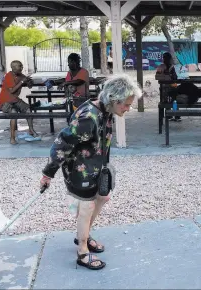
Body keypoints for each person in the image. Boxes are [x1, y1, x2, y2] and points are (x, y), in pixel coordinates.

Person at [39, 75, 142, 270]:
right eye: (126, 105)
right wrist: (48, 174)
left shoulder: (107, 110)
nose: (128, 109)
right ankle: (83, 251)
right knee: (86, 209)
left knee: (103, 197)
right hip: (80, 172)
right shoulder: (88, 117)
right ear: (113, 100)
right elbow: (61, 145)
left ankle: (83, 234)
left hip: (97, 167)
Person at [0, 60, 37, 145]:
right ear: (13, 68)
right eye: (20, 66)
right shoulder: (8, 76)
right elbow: (12, 91)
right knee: (14, 113)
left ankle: (31, 130)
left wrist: (30, 82)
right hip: (5, 101)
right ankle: (12, 138)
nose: (22, 68)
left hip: (15, 99)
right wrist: (22, 81)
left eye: (22, 66)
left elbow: (30, 87)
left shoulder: (21, 75)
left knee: (28, 109)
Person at [155, 52, 201, 122]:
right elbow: (157, 77)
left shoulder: (172, 67)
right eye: (165, 58)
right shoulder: (161, 67)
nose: (166, 60)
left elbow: (175, 78)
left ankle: (174, 115)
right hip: (164, 88)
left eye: (167, 58)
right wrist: (167, 76)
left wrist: (167, 76)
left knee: (173, 98)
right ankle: (172, 115)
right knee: (167, 100)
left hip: (172, 87)